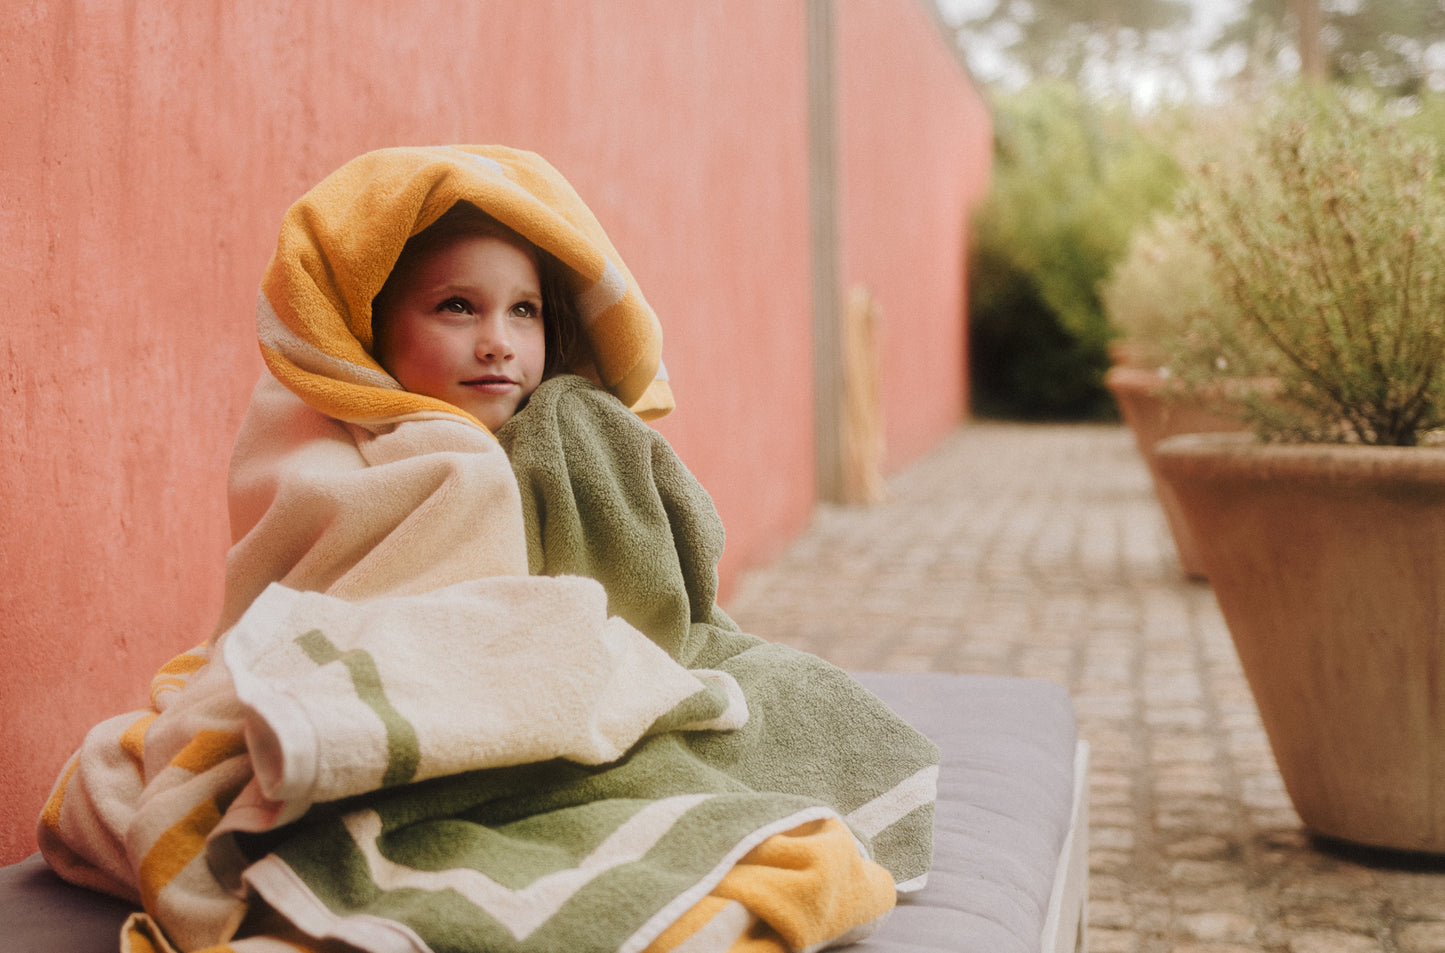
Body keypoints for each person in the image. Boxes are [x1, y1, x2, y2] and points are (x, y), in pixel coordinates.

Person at [39, 145, 938, 953]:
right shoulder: (334, 443)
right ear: (373, 329)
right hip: (400, 688)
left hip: (559, 687)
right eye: (456, 307)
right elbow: (324, 587)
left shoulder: (564, 433)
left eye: (525, 311)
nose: (498, 343)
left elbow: (661, 597)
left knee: (792, 698)